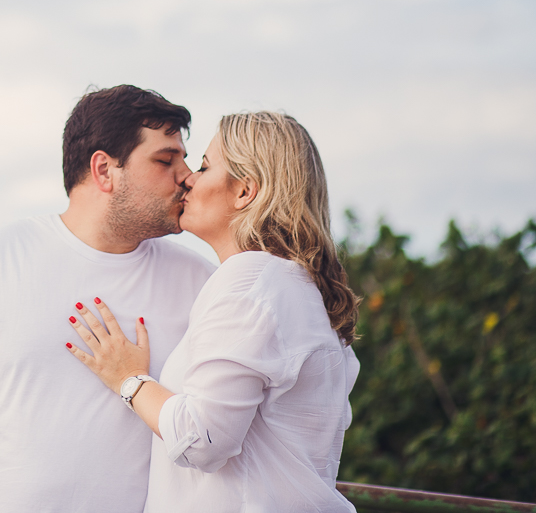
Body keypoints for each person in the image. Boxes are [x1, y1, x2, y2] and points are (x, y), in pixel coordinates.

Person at [0, 86, 216, 513]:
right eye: (165, 160)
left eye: (185, 160)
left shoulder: (202, 281)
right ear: (104, 170)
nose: (187, 176)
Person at [67, 111, 361, 513]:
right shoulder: (297, 285)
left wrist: (130, 379)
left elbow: (201, 439)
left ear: (244, 192)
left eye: (204, 167)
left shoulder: (249, 281)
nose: (188, 178)